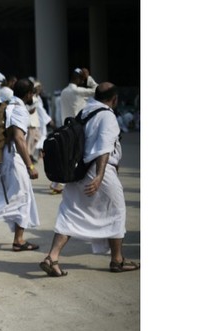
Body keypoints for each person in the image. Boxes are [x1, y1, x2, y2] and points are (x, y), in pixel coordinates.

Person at [39, 82, 140, 276]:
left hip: (77, 171)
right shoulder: (108, 116)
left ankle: (52, 257)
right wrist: (100, 176)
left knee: (70, 213)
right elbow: (104, 148)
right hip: (99, 170)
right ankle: (117, 260)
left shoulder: (84, 113)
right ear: (115, 99)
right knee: (116, 211)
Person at [0, 78, 41, 252]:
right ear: (28, 94)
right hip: (12, 158)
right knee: (16, 198)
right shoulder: (19, 110)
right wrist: (31, 166)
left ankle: (19, 240)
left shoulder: (5, 105)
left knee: (16, 197)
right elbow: (19, 139)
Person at [50, 68, 99, 194]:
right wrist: (89, 78)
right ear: (78, 79)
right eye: (81, 79)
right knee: (75, 155)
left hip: (66, 127)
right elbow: (97, 89)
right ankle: (59, 182)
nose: (83, 82)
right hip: (78, 128)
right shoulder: (77, 91)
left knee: (69, 154)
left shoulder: (64, 91)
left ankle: (57, 182)